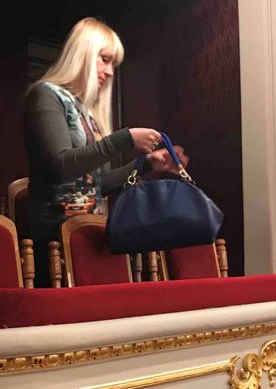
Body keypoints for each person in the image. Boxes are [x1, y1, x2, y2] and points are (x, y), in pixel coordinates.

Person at [22, 17, 187, 286]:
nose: (110, 72)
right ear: (83, 54)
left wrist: (147, 163)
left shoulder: (87, 113)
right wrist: (124, 139)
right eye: (105, 59)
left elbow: (94, 185)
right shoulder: (46, 95)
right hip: (56, 242)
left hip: (94, 235)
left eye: (113, 64)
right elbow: (60, 168)